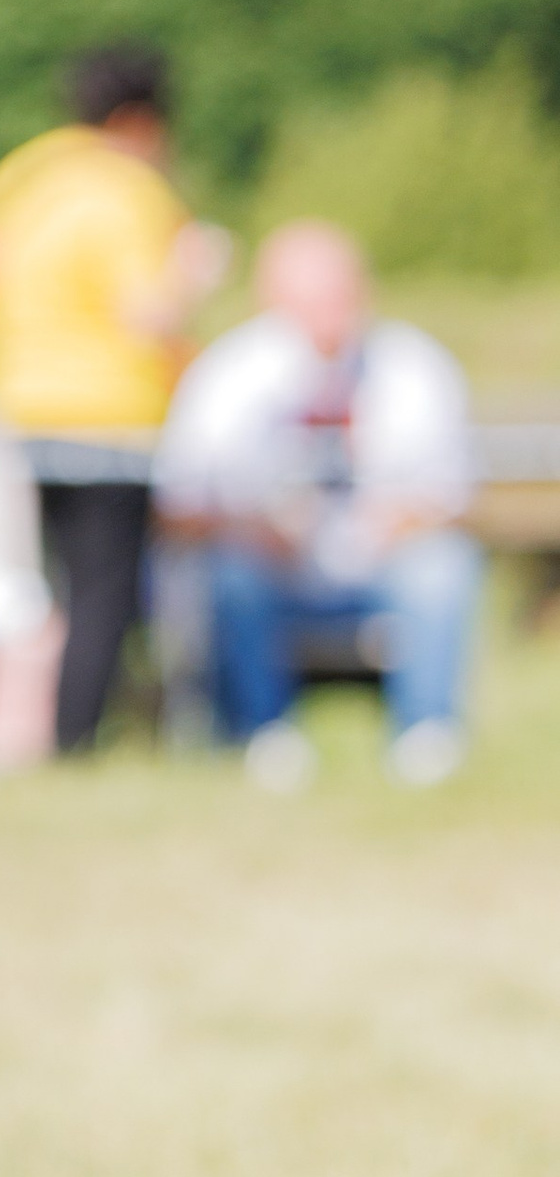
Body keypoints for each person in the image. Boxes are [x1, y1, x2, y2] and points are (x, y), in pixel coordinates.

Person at [0, 46, 228, 754]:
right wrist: (198, 270)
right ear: (140, 119)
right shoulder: (128, 188)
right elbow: (148, 311)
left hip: (14, 407)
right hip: (108, 418)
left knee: (44, 584)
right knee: (104, 597)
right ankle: (75, 741)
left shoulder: (18, 180)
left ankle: (38, 723)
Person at [154, 220, 480, 789]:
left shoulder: (415, 368)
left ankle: (428, 741)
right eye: (310, 300)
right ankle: (263, 736)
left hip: (380, 567)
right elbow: (178, 507)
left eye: (341, 295)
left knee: (444, 567)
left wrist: (399, 521)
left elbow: (455, 496)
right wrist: (253, 528)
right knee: (231, 577)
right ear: (272, 300)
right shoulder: (228, 376)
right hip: (272, 573)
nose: (329, 315)